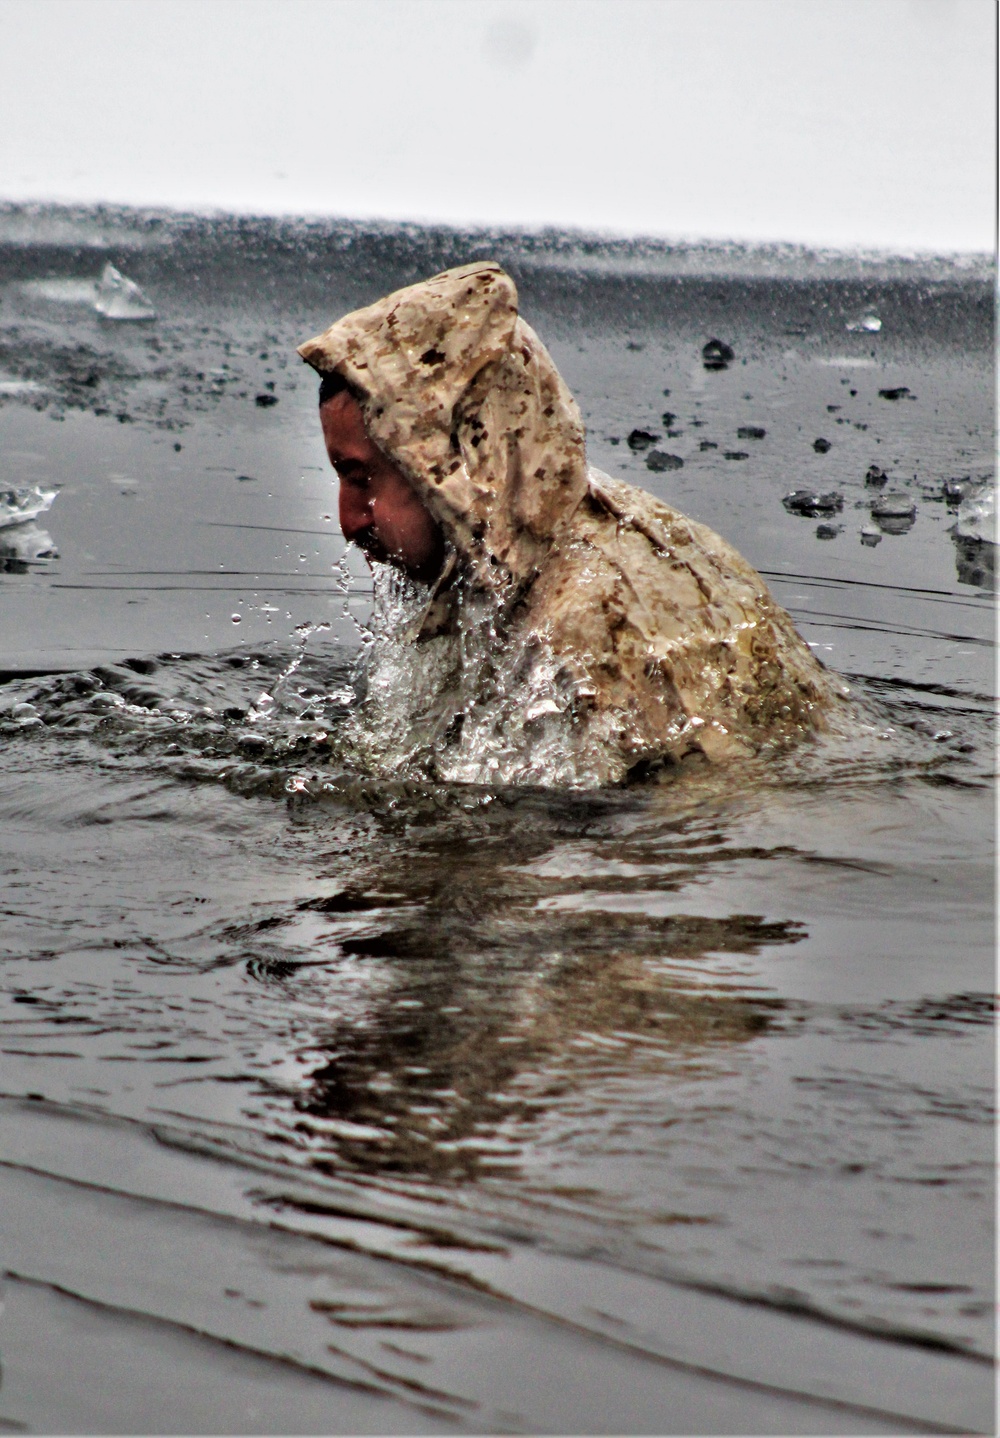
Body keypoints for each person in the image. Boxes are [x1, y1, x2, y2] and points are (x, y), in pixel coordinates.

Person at [298, 262, 847, 781]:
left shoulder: (585, 620)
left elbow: (682, 825)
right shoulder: (558, 523)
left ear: (444, 461)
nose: (349, 520)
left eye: (362, 478)